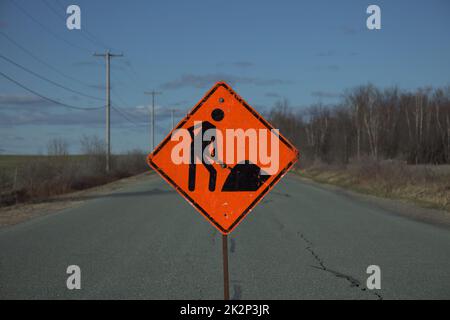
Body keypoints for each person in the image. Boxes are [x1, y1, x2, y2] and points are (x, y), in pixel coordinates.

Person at [188, 108, 224, 192]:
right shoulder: (206, 123)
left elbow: (214, 143)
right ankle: (191, 188)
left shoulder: (214, 128)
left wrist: (214, 154)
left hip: (201, 149)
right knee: (193, 167)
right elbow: (189, 129)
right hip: (194, 147)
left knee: (212, 171)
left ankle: (211, 190)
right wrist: (196, 141)